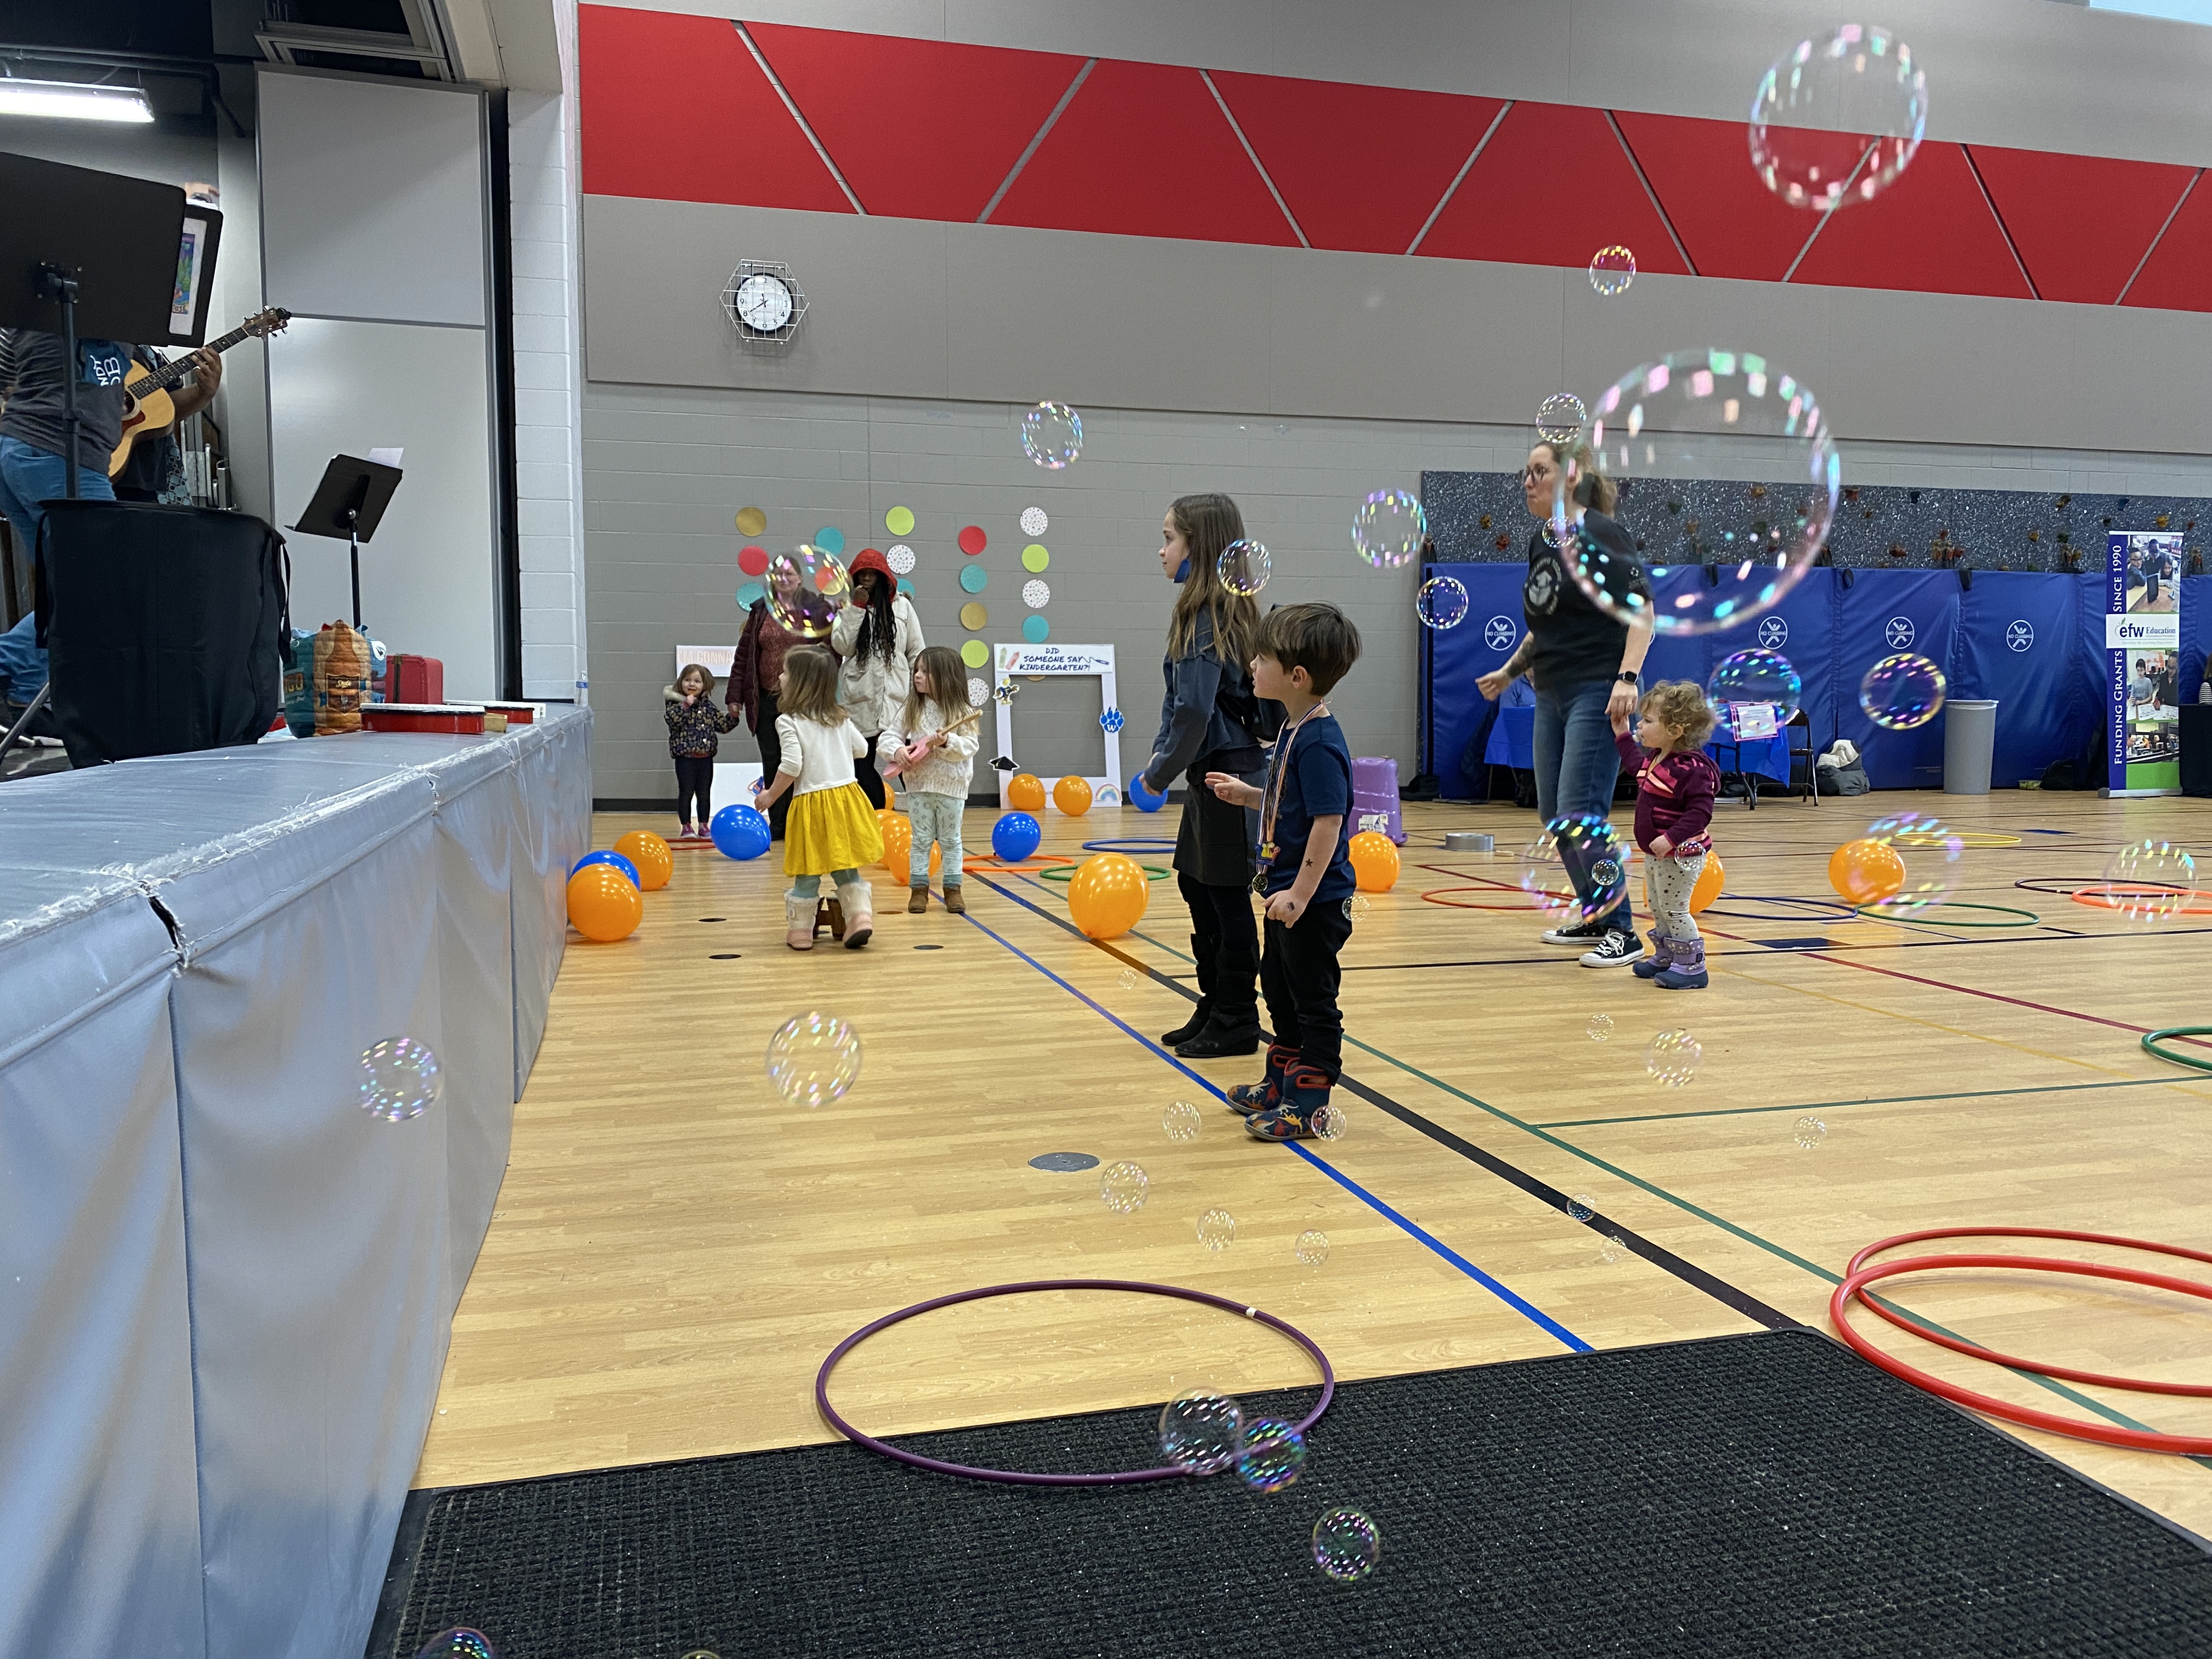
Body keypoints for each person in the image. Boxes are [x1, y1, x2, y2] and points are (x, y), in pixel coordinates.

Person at [1476, 439, 1652, 969]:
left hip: (1597, 689)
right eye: (1525, 472)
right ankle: (1598, 916)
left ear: (1570, 477)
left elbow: (1642, 612)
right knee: (1554, 813)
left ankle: (1621, 930)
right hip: (1550, 689)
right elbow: (1544, 630)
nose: (1528, 482)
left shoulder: (1603, 533)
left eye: (1539, 471)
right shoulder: (1540, 541)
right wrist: (1509, 672)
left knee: (1581, 810)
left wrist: (1627, 678)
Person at [1203, 603, 1362, 1141]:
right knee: (1278, 986)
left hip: (1312, 900)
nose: (1251, 663)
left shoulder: (1319, 742)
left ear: (1296, 677)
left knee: (1311, 999)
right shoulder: (1296, 729)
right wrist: (1249, 795)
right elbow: (1288, 800)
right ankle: (1281, 1084)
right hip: (1286, 895)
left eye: (1262, 656)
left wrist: (1299, 892)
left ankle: (1310, 1102)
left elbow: (1327, 823)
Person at [1142, 493, 1276, 1059]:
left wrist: (1156, 774)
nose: (1161, 550)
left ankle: (1238, 1016)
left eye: (1169, 538)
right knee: (1198, 885)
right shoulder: (1221, 609)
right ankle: (1215, 1001)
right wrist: (1166, 761)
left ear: (1200, 545)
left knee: (1223, 895)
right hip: (1213, 773)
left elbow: (1194, 712)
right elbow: (1186, 707)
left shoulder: (1207, 616)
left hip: (1225, 774)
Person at [0, 327, 131, 717]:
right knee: (103, 581)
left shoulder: (21, 314)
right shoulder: (109, 301)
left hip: (17, 453)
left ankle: (27, 691)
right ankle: (12, 665)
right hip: (61, 456)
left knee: (66, 586)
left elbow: (6, 382)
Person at [752, 646, 884, 951]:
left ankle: (800, 932)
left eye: (786, 672)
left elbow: (792, 765)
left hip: (812, 803)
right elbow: (862, 750)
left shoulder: (788, 721)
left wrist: (771, 795)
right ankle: (860, 917)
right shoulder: (839, 717)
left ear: (799, 683)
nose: (781, 677)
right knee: (844, 864)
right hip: (846, 799)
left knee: (808, 869)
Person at [1610, 681, 1720, 990]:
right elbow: (1634, 765)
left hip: (1680, 854)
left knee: (1675, 909)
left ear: (1675, 730)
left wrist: (1671, 838)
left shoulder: (1691, 768)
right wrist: (1621, 732)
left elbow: (1700, 813)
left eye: (1648, 721)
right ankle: (1668, 955)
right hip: (1658, 854)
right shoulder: (1660, 759)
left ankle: (1692, 968)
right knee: (1658, 906)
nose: (1640, 726)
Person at [879, 645, 979, 915]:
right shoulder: (912, 707)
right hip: (919, 786)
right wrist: (898, 751)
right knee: (921, 839)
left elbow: (970, 746)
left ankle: (953, 889)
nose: (917, 676)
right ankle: (919, 890)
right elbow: (888, 737)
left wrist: (948, 742)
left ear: (945, 676)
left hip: (952, 788)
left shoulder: (962, 711)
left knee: (950, 840)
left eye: (925, 672)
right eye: (917, 670)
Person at [830, 548, 924, 809]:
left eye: (873, 573)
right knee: (861, 765)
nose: (868, 577)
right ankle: (878, 818)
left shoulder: (902, 606)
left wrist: (921, 690)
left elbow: (916, 649)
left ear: (884, 577)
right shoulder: (848, 608)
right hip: (859, 700)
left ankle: (924, 817)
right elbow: (843, 646)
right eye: (862, 573)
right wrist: (856, 608)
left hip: (897, 700)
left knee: (907, 762)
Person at [730, 592, 803, 841]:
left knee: (800, 760)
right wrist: (735, 697)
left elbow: (828, 656)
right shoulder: (761, 611)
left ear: (800, 580)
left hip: (800, 700)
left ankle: (800, 824)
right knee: (772, 760)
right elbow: (743, 659)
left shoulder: (813, 609)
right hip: (766, 699)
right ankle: (779, 825)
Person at [111, 342, 222, 504]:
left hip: (148, 479)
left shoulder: (147, 353)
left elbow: (167, 407)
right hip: (92, 468)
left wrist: (203, 393)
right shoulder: (73, 341)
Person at [664, 662, 735, 840]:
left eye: (697, 681)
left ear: (705, 685)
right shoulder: (675, 704)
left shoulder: (709, 707)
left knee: (704, 793)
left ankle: (704, 825)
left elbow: (723, 726)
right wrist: (685, 706)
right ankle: (686, 827)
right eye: (687, 680)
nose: (692, 684)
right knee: (686, 792)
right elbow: (673, 721)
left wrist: (733, 716)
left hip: (706, 758)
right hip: (685, 757)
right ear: (681, 683)